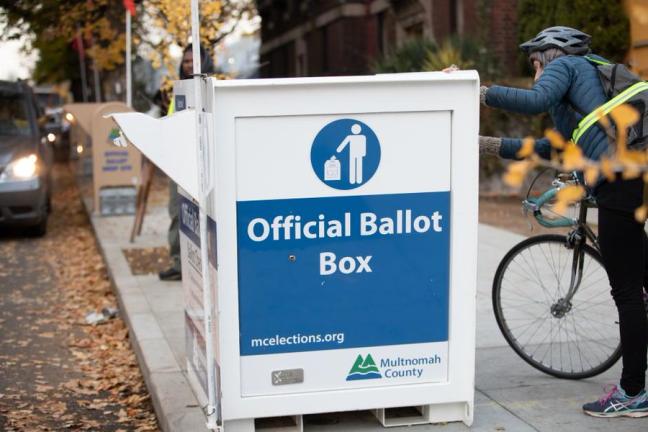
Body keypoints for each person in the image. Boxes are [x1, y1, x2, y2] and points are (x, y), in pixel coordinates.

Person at [474, 26, 648, 418]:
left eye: (535, 64)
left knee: (627, 291)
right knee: (643, 280)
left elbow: (535, 99)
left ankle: (633, 392)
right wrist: (483, 144)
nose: (536, 73)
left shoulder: (567, 65)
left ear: (548, 54)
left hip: (621, 178)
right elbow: (551, 146)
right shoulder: (590, 90)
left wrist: (478, 92)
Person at [158, 44, 215, 281]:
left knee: (206, 214)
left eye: (194, 61)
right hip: (179, 162)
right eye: (186, 61)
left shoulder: (212, 89)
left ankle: (205, 263)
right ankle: (179, 262)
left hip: (204, 163)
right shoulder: (179, 91)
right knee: (177, 211)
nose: (190, 65)